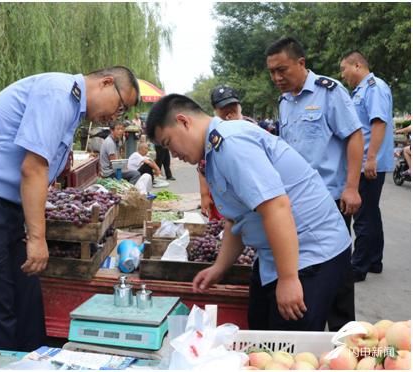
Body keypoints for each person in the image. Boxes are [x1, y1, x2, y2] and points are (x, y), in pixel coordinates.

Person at [0, 66, 140, 351]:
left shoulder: (71, 109)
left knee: (27, 300)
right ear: (107, 82)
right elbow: (33, 168)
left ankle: (34, 361)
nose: (116, 116)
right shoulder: (58, 95)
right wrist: (37, 238)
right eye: (120, 107)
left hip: (4, 204)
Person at [145, 94, 352, 331]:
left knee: (286, 351)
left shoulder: (231, 144)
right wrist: (219, 268)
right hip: (276, 257)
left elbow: (276, 207)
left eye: (168, 142)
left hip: (311, 254)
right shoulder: (213, 153)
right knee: (259, 336)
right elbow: (238, 219)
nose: (172, 154)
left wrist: (288, 278)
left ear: (183, 121)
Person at [266, 37, 363, 331]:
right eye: (271, 72)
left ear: (301, 63)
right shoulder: (284, 102)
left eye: (282, 70)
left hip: (330, 198)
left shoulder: (329, 92)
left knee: (338, 271)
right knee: (306, 268)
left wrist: (352, 186)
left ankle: (344, 337)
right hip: (296, 201)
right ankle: (310, 336)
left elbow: (354, 137)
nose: (277, 78)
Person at [340, 51, 395, 282]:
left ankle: (358, 266)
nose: (343, 75)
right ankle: (374, 260)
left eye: (344, 69)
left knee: (362, 215)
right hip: (366, 162)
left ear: (357, 65)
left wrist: (370, 157)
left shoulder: (374, 87)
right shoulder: (362, 90)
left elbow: (378, 122)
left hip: (368, 163)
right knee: (371, 212)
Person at [198, 85, 255, 219]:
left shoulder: (251, 127)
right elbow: (202, 168)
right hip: (220, 194)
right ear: (215, 110)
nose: (228, 112)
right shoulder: (211, 133)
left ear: (239, 106)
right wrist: (204, 195)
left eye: (232, 106)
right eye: (223, 108)